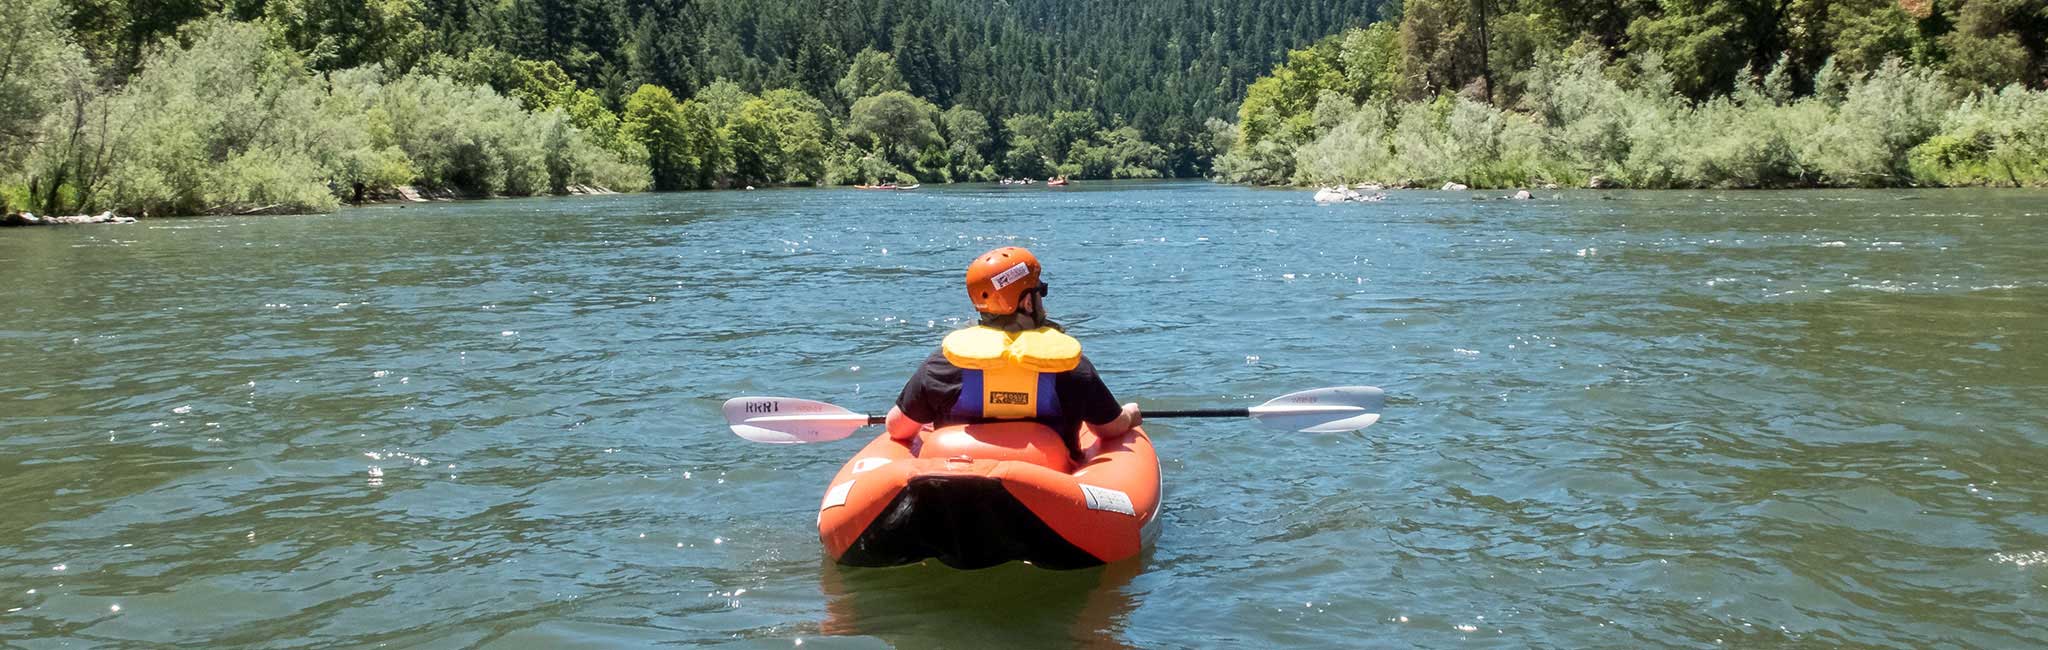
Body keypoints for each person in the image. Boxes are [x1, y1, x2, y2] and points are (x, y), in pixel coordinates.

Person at [886, 247, 1142, 459]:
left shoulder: (942, 365)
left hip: (955, 484)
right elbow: (1109, 429)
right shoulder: (1071, 367)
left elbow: (897, 429)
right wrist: (1130, 414)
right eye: (1039, 292)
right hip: (1048, 490)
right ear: (1027, 302)